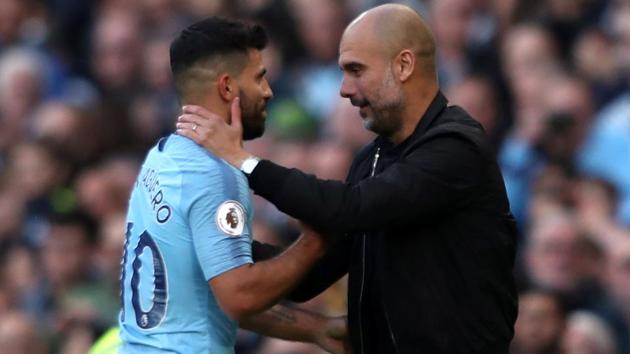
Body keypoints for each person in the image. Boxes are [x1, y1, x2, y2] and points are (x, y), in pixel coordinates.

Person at [177, 4, 518, 354]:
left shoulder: (455, 148)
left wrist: (243, 162)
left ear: (403, 65)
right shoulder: (372, 160)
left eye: (356, 70)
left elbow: (352, 208)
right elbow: (308, 276)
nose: (343, 88)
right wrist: (213, 248)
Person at [119, 17, 346, 354]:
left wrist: (316, 329)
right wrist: (313, 242)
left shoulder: (162, 159)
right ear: (227, 88)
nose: (268, 91)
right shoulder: (215, 176)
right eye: (259, 78)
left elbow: (215, 288)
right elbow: (239, 295)